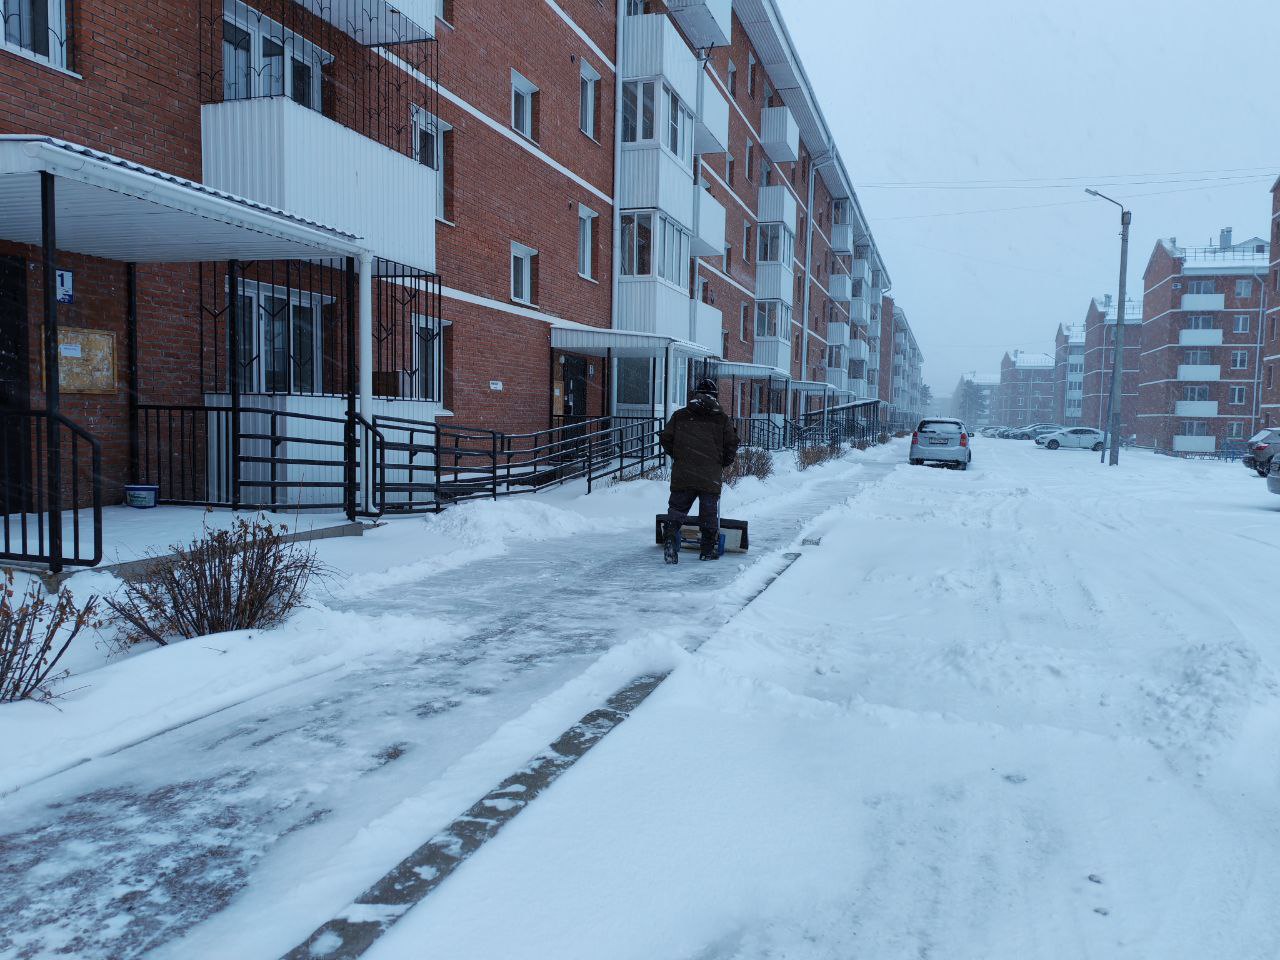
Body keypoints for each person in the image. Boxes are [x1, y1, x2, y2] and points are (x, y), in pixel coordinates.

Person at [659, 378, 739, 563]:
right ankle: (707, 550)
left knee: (677, 509)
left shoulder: (680, 415)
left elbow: (666, 438)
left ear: (695, 394)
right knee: (709, 513)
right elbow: (731, 444)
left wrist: (679, 455)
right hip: (709, 475)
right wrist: (722, 461)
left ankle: (670, 538)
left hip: (683, 473)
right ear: (715, 396)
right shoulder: (721, 419)